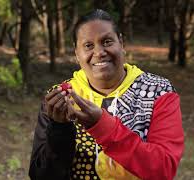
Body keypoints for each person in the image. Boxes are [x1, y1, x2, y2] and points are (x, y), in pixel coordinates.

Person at [29, 9, 184, 180]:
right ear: (76, 53)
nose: (99, 52)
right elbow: (41, 176)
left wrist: (102, 125)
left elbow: (164, 170)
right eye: (88, 45)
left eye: (107, 42)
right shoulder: (61, 98)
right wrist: (59, 129)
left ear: (121, 43)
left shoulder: (158, 91)